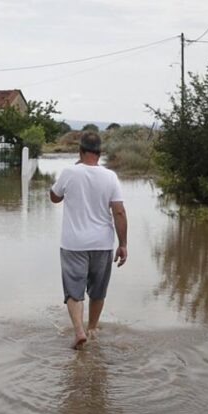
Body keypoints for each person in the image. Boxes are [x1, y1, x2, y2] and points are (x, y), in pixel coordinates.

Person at [50, 131, 128, 349]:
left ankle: (79, 331)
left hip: (74, 244)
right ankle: (92, 329)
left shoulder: (69, 172)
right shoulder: (110, 176)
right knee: (97, 291)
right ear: (100, 153)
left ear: (80, 151)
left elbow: (54, 197)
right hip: (103, 244)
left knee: (74, 290)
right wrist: (123, 244)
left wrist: (74, 169)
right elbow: (119, 212)